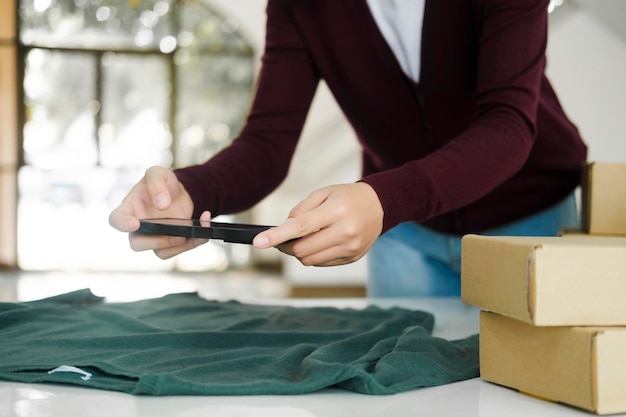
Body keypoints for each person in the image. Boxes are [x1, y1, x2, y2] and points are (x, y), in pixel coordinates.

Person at [109, 0, 587, 298]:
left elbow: (507, 125)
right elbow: (267, 143)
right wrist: (191, 190)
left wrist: (383, 198)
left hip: (530, 218)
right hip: (405, 235)